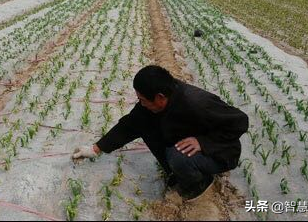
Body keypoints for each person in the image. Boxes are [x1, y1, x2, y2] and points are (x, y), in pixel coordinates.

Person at [72, 65, 249, 201]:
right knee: (145, 125)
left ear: (159, 97)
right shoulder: (157, 102)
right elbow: (130, 124)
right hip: (195, 141)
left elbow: (239, 121)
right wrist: (95, 149)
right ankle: (177, 172)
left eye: (142, 99)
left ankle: (199, 184)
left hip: (221, 153)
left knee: (178, 155)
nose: (140, 103)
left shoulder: (196, 102)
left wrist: (202, 142)